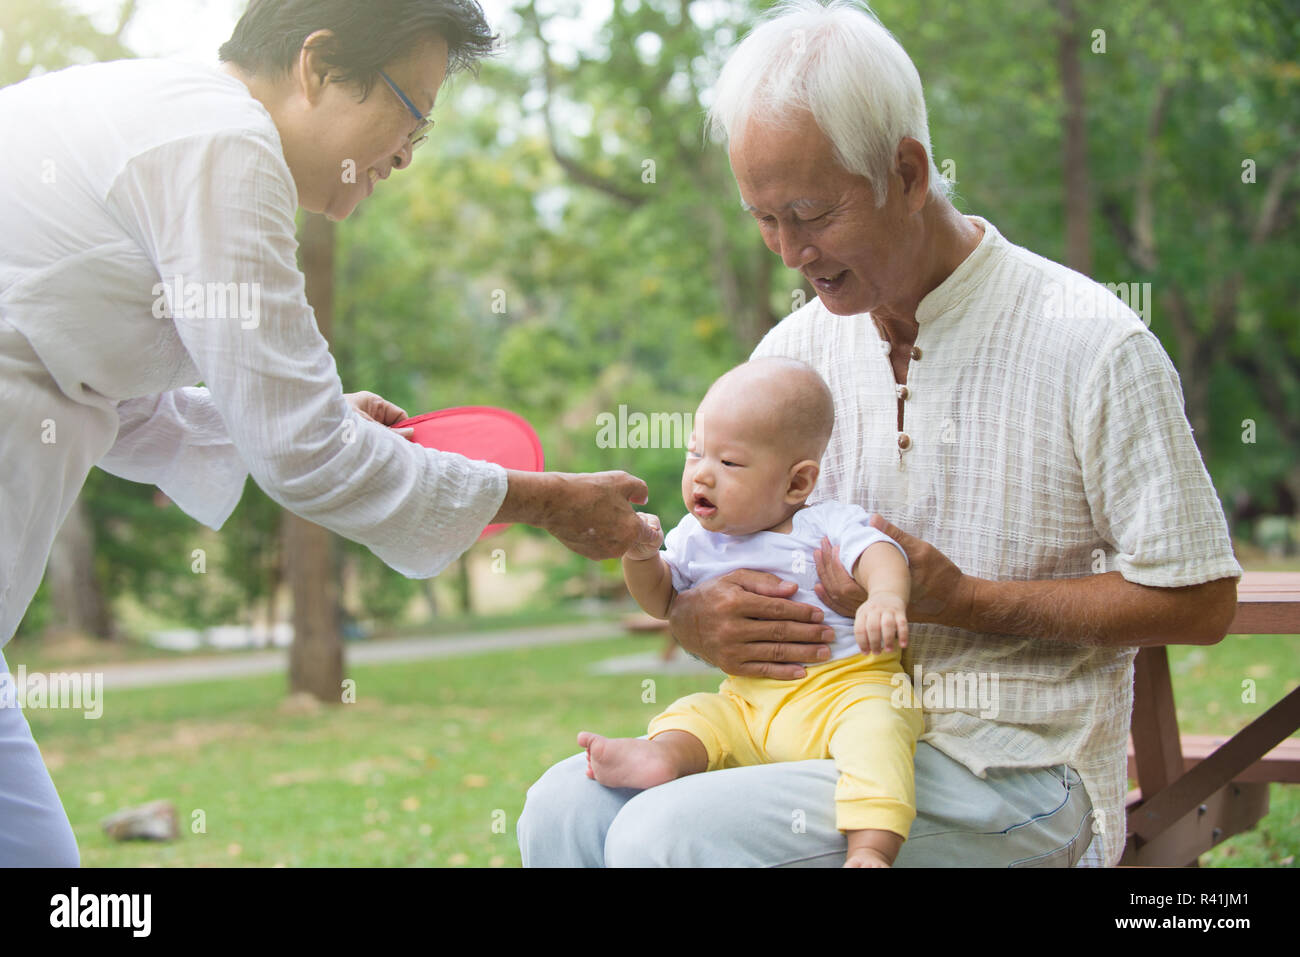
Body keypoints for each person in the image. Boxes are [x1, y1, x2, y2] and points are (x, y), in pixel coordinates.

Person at [517, 0, 1241, 868]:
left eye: (812, 214)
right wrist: (690, 615)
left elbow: (1202, 601)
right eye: (763, 217)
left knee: (665, 834)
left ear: (906, 171)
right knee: (563, 806)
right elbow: (711, 559)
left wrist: (965, 598)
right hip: (801, 734)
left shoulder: (1092, 342)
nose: (788, 250)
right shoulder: (790, 353)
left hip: (1013, 769)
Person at [0, 0, 652, 866]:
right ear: (317, 65)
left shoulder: (163, 117)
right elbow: (301, 454)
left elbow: (120, 401)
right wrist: (544, 502)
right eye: (411, 112)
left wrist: (323, 417)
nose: (408, 153)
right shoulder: (220, 141)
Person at [578, 358, 922, 867]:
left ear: (796, 484)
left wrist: (885, 597)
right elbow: (662, 600)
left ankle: (870, 846)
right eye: (695, 454)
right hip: (748, 702)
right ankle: (661, 756)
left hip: (845, 691)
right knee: (696, 715)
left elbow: (880, 553)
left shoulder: (821, 525)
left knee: (879, 733)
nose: (702, 474)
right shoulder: (695, 540)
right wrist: (640, 554)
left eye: (729, 463)